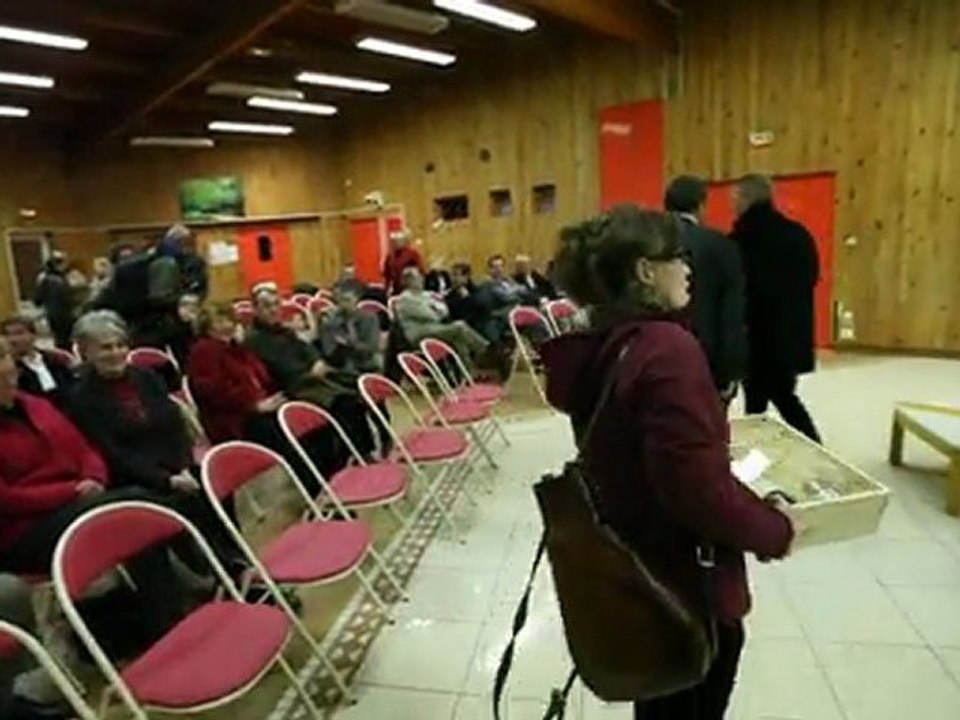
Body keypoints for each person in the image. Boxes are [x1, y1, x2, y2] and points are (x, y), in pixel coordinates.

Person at [540, 205, 798, 720]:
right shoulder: (666, 350)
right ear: (644, 271)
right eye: (677, 257)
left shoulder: (607, 345)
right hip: (686, 585)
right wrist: (776, 529)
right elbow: (696, 494)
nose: (688, 268)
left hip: (640, 576)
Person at [0, 335, 187, 655]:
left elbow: (83, 448)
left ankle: (166, 618)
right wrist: (70, 491)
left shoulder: (36, 405)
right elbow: (6, 498)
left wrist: (93, 475)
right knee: (135, 506)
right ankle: (176, 607)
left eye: (2, 356)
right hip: (24, 530)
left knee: (135, 509)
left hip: (80, 499)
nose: (2, 367)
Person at [66, 311, 242, 574]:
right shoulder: (81, 399)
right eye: (105, 348)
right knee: (178, 502)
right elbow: (112, 454)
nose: (116, 353)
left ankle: (236, 559)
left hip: (173, 464)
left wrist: (182, 466)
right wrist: (165, 479)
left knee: (211, 482)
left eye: (120, 345)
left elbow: (174, 425)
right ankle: (222, 571)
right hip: (132, 479)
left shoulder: (146, 377)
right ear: (86, 352)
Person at [730, 175, 821, 442]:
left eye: (734, 199)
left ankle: (813, 447)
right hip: (792, 333)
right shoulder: (798, 234)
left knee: (771, 399)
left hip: (757, 335)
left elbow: (739, 290)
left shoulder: (742, 240)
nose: (732, 205)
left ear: (747, 199)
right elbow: (811, 277)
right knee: (780, 395)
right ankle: (767, 449)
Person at [245, 287, 378, 462]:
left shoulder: (283, 330)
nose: (273, 310)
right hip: (295, 386)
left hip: (313, 378)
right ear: (256, 309)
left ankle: (361, 451)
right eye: (267, 306)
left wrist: (316, 360)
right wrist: (309, 371)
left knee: (358, 387)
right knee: (346, 403)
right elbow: (278, 370)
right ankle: (357, 455)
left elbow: (306, 348)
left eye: (276, 304)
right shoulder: (254, 340)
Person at [665, 175, 747, 402]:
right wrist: (730, 372)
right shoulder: (721, 246)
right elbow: (731, 313)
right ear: (701, 205)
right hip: (705, 358)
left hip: (651, 358)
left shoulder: (642, 242)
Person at [395, 268, 489, 369]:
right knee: (459, 326)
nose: (422, 280)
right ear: (408, 281)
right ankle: (486, 350)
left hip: (434, 328)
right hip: (419, 334)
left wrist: (434, 309)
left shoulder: (425, 295)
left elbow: (445, 310)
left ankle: (469, 371)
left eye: (421, 277)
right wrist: (434, 309)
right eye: (418, 277)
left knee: (458, 338)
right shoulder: (406, 299)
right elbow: (431, 316)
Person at [0, 317, 75, 408]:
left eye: (19, 333)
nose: (12, 339)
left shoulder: (54, 358)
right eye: (7, 334)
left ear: (33, 335)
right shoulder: (8, 370)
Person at [33, 251, 75, 351]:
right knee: (66, 341)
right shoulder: (60, 280)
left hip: (52, 314)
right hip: (63, 314)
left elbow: (37, 299)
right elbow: (67, 298)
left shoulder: (44, 279)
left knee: (59, 340)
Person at [382, 229, 424, 296]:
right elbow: (387, 275)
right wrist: (386, 289)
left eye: (399, 240)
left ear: (404, 241)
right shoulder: (390, 257)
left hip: (410, 289)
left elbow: (420, 271)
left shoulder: (412, 254)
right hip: (396, 289)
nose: (397, 243)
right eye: (395, 241)